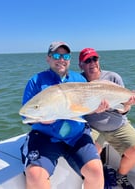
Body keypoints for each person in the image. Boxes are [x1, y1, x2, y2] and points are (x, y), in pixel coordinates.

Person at [20, 42, 105, 189]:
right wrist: (43, 122)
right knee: (35, 175)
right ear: (48, 58)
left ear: (70, 59)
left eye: (65, 56)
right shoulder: (36, 81)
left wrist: (96, 109)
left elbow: (83, 109)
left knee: (96, 171)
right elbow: (25, 115)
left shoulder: (79, 80)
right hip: (46, 137)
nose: (61, 59)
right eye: (57, 55)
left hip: (77, 135)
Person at [78, 48, 135, 189]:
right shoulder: (78, 81)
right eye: (87, 60)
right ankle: (99, 177)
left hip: (118, 124)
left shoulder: (113, 77)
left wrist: (127, 104)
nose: (92, 63)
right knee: (91, 156)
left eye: (95, 59)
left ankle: (120, 176)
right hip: (93, 127)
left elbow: (124, 110)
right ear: (81, 65)